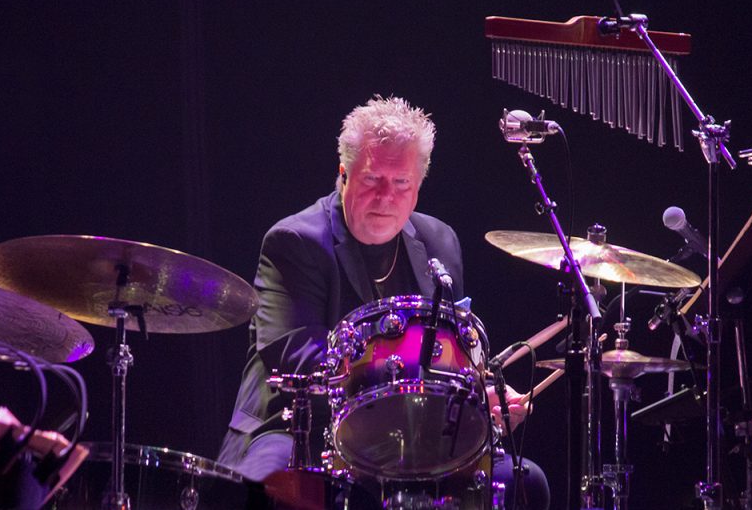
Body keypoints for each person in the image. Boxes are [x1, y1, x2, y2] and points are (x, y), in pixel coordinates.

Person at [219, 95, 549, 509]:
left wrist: (480, 394)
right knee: (274, 491)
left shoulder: (438, 242)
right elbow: (293, 355)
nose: (386, 196)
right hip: (296, 426)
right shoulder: (295, 242)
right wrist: (392, 380)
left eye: (401, 183)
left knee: (524, 483)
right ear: (344, 174)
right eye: (373, 179)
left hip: (413, 434)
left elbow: (454, 353)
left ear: (418, 187)